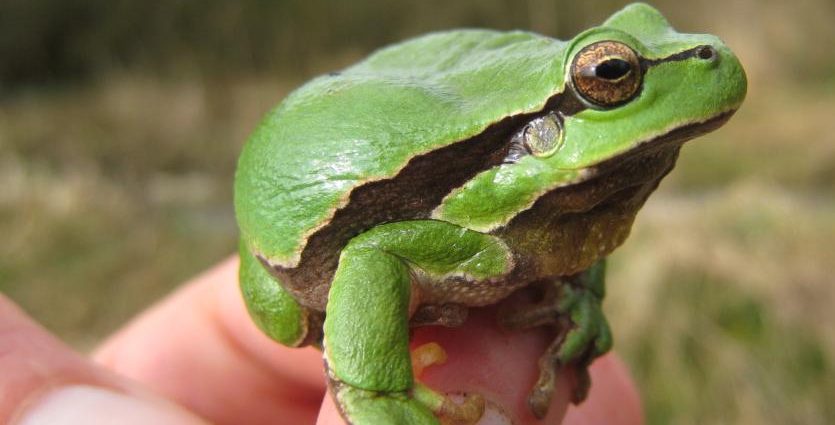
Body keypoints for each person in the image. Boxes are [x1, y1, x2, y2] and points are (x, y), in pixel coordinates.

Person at [1, 257, 643, 424]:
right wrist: (375, 381)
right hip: (323, 235)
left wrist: (579, 294)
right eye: (611, 76)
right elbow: (373, 255)